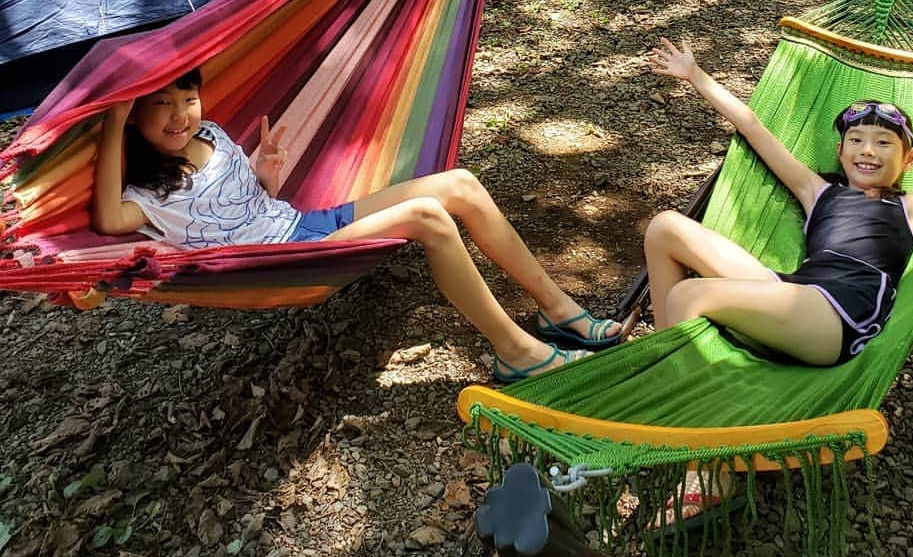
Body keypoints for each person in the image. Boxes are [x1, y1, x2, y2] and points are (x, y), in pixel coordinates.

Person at [91, 69, 624, 383]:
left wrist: (264, 174)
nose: (180, 114)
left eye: (187, 98)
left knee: (458, 183)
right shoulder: (148, 196)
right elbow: (109, 218)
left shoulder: (211, 132)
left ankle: (559, 311)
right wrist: (112, 119)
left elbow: (245, 204)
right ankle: (516, 353)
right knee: (427, 217)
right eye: (160, 106)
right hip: (285, 259)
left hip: (304, 223)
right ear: (134, 120)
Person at [644, 38, 913, 367]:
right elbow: (754, 128)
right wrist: (695, 75)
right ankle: (666, 368)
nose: (867, 150)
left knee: (688, 295)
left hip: (840, 316)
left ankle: (695, 437)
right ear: (841, 153)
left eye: (883, 143)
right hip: (792, 293)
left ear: (909, 159)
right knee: (665, 226)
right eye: (856, 140)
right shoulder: (818, 192)